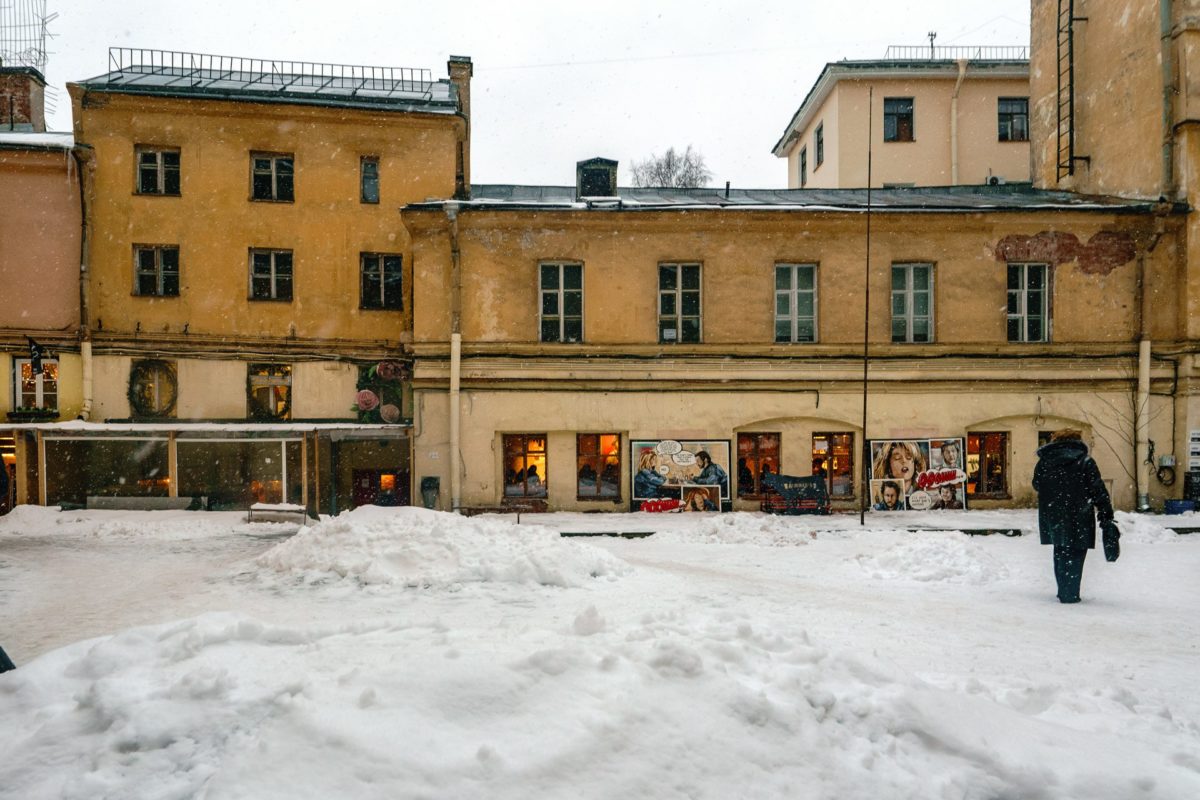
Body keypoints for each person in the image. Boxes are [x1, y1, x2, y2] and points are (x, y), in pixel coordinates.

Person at [1032, 429, 1116, 604]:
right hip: (1079, 514)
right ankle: (1069, 594)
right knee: (1076, 552)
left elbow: (1037, 484)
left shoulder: (1045, 462)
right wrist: (1105, 514)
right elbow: (1098, 490)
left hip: (1053, 513)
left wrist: (1055, 495)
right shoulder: (1085, 462)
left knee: (1060, 550)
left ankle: (1063, 589)